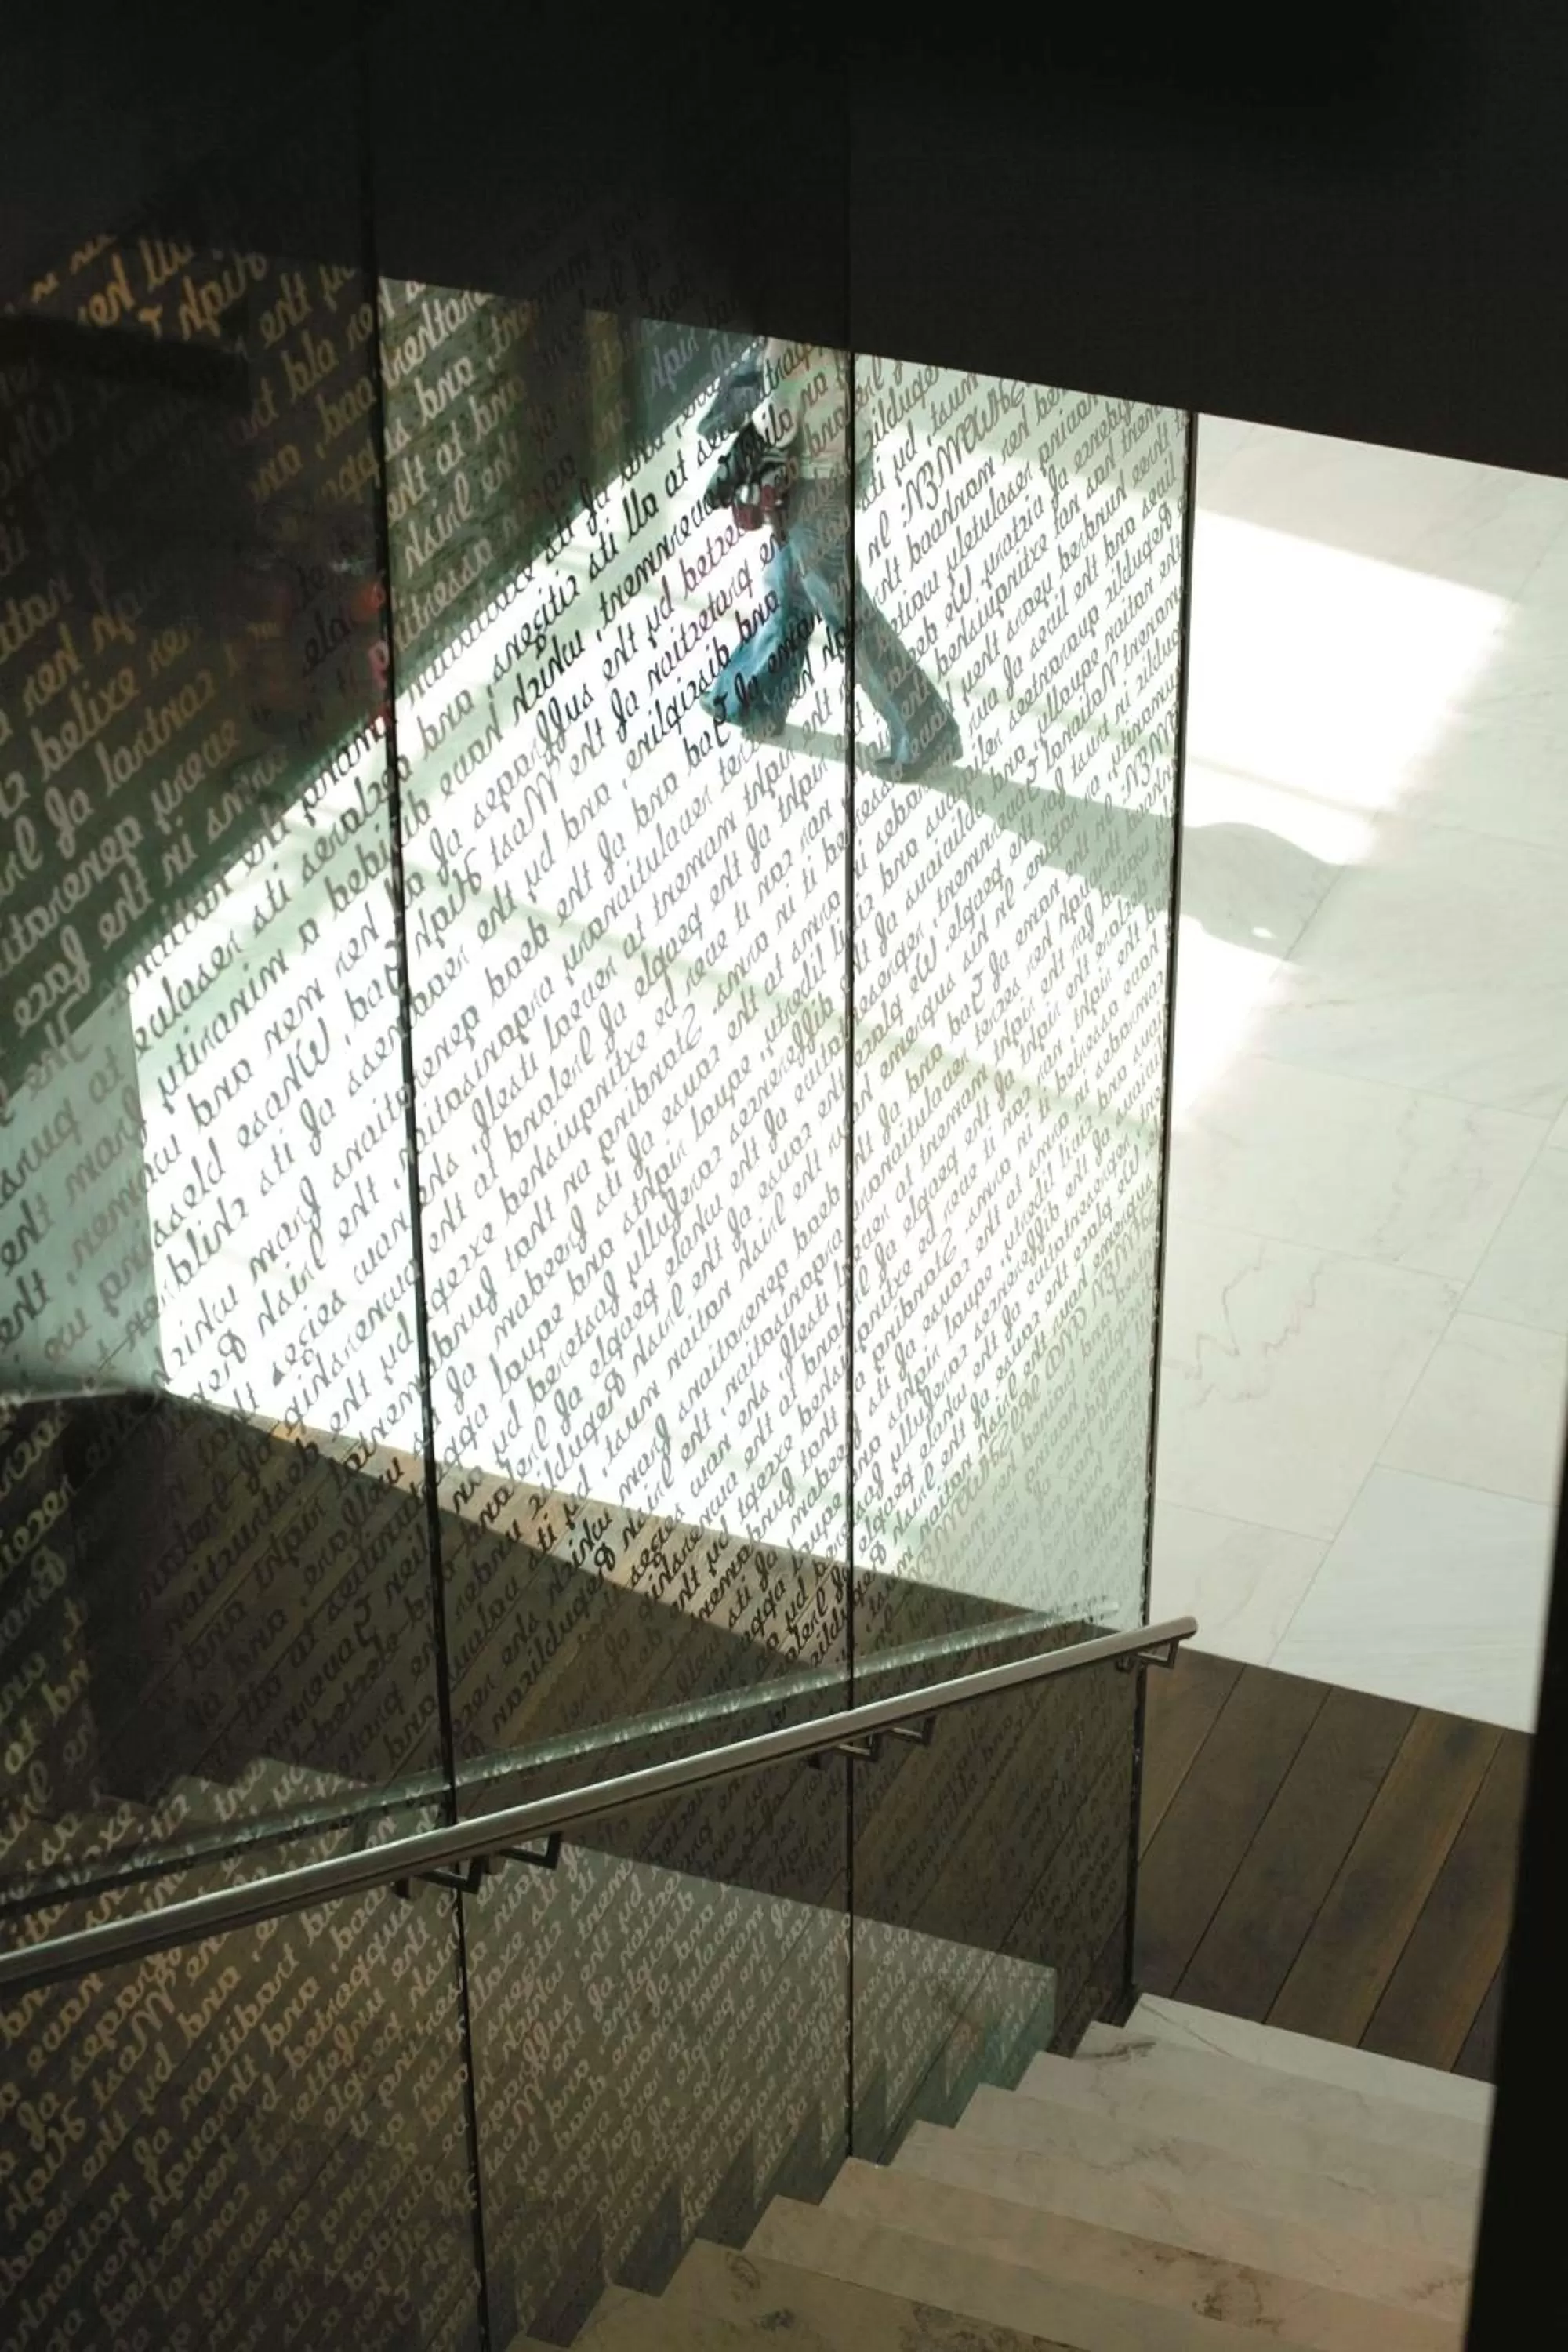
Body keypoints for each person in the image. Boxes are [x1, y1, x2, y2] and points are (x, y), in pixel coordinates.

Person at [698, 338, 961, 782]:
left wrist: (730, 471)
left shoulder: (789, 342)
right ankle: (753, 697)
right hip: (842, 463)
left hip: (815, 485)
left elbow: (777, 424)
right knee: (792, 590)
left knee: (845, 612)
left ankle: (925, 729)